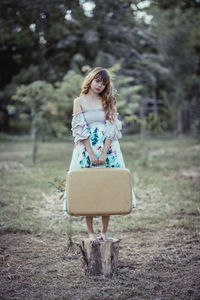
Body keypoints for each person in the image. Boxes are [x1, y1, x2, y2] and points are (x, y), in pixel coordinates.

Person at [63, 67, 136, 242]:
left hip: (108, 149)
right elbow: (80, 129)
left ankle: (104, 232)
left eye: (103, 83)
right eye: (97, 81)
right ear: (90, 80)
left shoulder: (109, 100)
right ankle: (90, 232)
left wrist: (103, 153)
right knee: (88, 187)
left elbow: (112, 128)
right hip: (86, 149)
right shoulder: (79, 101)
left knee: (107, 187)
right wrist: (91, 153)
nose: (100, 86)